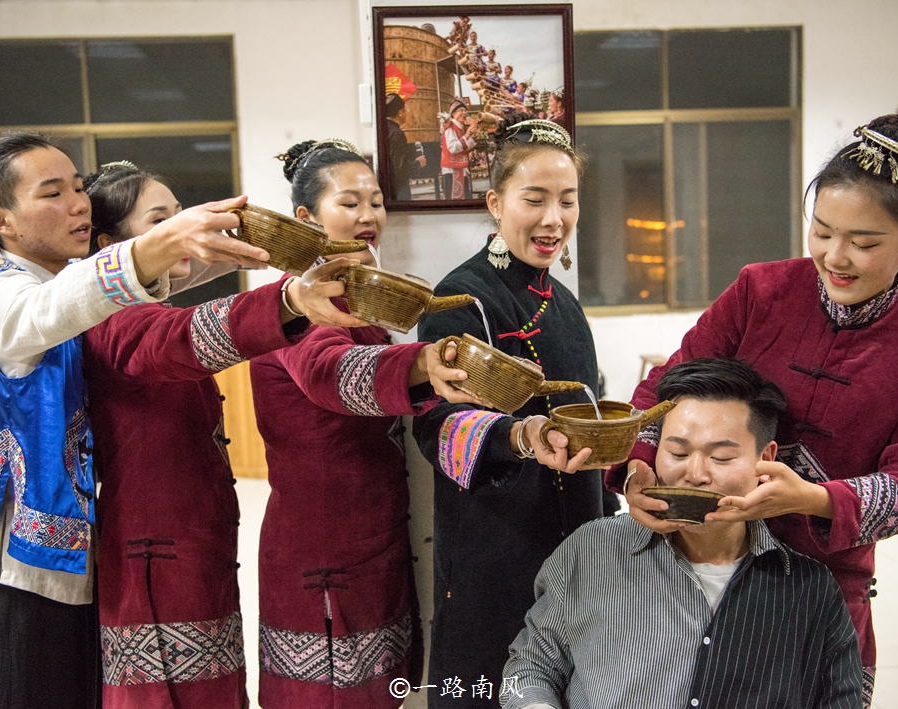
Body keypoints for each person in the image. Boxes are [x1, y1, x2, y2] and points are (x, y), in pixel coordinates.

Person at [613, 112, 898, 706]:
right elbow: (668, 385)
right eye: (822, 231)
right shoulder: (762, 290)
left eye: (864, 242)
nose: (836, 257)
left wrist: (813, 500)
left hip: (826, 581)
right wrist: (638, 464)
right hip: (705, 556)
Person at [0, 132, 268, 709]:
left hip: (79, 558)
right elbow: (67, 303)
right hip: (16, 575)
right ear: (1, 219)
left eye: (78, 187)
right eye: (52, 193)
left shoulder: (73, 288)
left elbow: (143, 281)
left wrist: (240, 245)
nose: (77, 203)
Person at [81, 162, 363, 708]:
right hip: (151, 561)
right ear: (111, 246)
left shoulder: (143, 306)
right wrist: (287, 303)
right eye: (160, 220)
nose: (180, 230)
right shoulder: (111, 316)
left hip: (189, 549)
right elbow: (184, 339)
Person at [250, 139, 478, 708]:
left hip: (372, 533)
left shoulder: (356, 299)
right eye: (349, 203)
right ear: (306, 218)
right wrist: (423, 364)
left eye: (375, 202)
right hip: (321, 546)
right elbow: (331, 374)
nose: (369, 216)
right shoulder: (290, 303)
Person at [503, 358, 862, 709]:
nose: (695, 473)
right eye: (676, 452)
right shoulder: (592, 551)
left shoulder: (809, 588)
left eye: (721, 458)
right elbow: (529, 668)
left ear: (765, 459)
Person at [412, 115, 614, 708]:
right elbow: (438, 427)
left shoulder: (562, 300)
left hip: (573, 535)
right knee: (487, 688)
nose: (554, 220)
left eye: (568, 201)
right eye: (535, 199)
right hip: (496, 544)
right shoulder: (463, 298)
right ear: (496, 203)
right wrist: (520, 437)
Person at [385, 93, 426, 201]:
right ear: (400, 113)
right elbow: (400, 168)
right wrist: (418, 163)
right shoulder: (397, 134)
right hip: (398, 190)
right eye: (406, 110)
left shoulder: (383, 129)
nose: (408, 113)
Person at [440, 100, 477, 200]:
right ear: (453, 114)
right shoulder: (450, 127)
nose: (465, 113)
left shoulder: (460, 128)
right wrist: (467, 135)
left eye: (465, 111)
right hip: (451, 170)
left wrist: (474, 138)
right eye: (461, 110)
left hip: (460, 168)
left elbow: (463, 146)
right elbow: (452, 148)